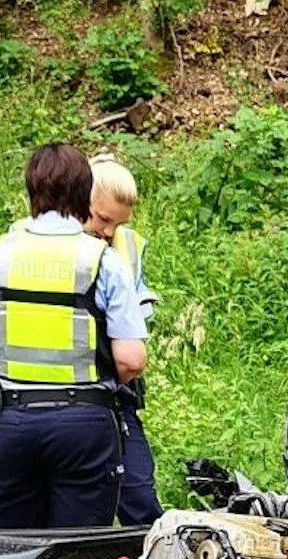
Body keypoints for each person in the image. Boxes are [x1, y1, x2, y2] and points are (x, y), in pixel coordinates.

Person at [0, 145, 149, 529]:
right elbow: (131, 360)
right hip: (83, 423)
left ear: (31, 192)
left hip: (11, 420)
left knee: (9, 551)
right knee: (76, 551)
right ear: (85, 195)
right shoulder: (102, 261)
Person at [85, 155, 162, 527]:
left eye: (118, 223)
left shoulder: (127, 246)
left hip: (120, 395)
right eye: (102, 219)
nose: (107, 231)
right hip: (77, 395)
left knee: (140, 498)